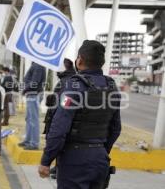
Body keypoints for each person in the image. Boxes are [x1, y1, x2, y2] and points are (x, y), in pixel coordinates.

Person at [38, 40, 122, 189]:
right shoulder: (111, 86)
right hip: (100, 159)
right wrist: (100, 150)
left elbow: (59, 128)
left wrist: (46, 160)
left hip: (75, 160)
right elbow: (116, 128)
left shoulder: (73, 86)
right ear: (101, 62)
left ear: (80, 60)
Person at [42, 58, 76, 179]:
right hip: (58, 114)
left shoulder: (67, 81)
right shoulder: (70, 79)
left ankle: (58, 168)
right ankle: (57, 167)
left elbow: (64, 102)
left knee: (58, 140)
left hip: (58, 116)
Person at [18, 62, 46, 150]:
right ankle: (28, 140)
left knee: (33, 119)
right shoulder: (36, 64)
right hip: (32, 93)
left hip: (34, 94)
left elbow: (35, 82)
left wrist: (24, 90)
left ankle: (34, 143)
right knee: (29, 119)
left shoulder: (38, 65)